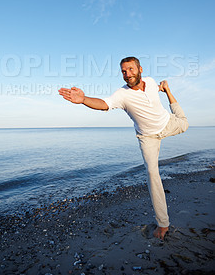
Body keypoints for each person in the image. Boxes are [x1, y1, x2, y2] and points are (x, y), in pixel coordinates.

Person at [58, 56, 189, 240]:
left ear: (140, 69)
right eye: (123, 71)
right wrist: (84, 99)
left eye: (131, 69)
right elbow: (104, 104)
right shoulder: (122, 95)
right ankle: (163, 223)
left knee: (185, 123)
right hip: (148, 137)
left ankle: (169, 91)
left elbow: (153, 88)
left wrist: (164, 88)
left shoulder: (150, 82)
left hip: (168, 123)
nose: (127, 74)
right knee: (152, 174)